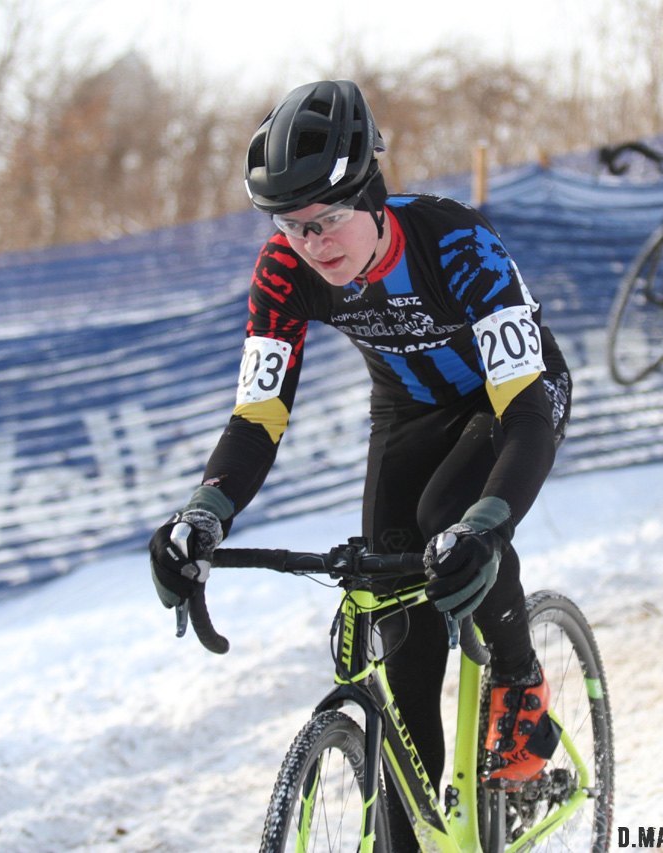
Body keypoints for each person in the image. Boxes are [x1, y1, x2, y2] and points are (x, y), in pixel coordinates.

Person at [146, 79, 572, 849]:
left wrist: (489, 521)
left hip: (511, 402)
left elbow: (526, 411)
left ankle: (518, 679)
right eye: (293, 225)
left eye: (329, 219)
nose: (312, 242)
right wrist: (204, 512)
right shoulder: (284, 270)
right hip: (407, 412)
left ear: (373, 197)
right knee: (396, 621)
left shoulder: (457, 245)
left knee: (451, 522)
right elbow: (257, 415)